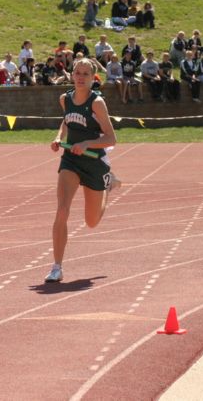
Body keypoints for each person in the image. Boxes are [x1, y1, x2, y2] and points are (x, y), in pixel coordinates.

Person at [45, 58, 117, 283]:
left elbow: (111, 138)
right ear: (71, 74)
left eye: (86, 73)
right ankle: (57, 267)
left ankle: (109, 185)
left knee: (92, 221)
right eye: (78, 72)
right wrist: (59, 138)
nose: (81, 77)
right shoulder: (65, 99)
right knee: (62, 210)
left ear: (93, 77)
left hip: (94, 163)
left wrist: (86, 144)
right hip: (71, 162)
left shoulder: (97, 103)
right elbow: (67, 121)